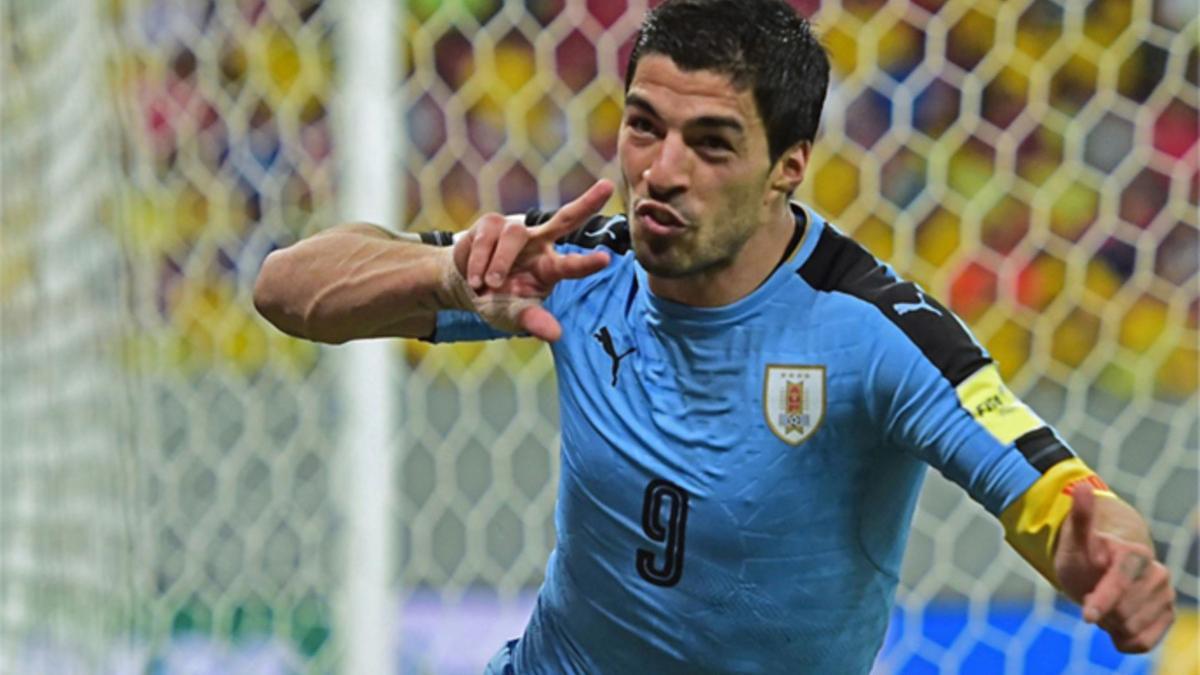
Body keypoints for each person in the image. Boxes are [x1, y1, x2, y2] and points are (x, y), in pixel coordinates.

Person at [253, 0, 1176, 671]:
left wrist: (1115, 561)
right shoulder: (574, 265)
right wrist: (448, 275)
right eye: (644, 127)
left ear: (789, 167)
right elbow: (284, 287)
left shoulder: (877, 332)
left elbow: (1059, 495)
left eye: (711, 143)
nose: (660, 172)